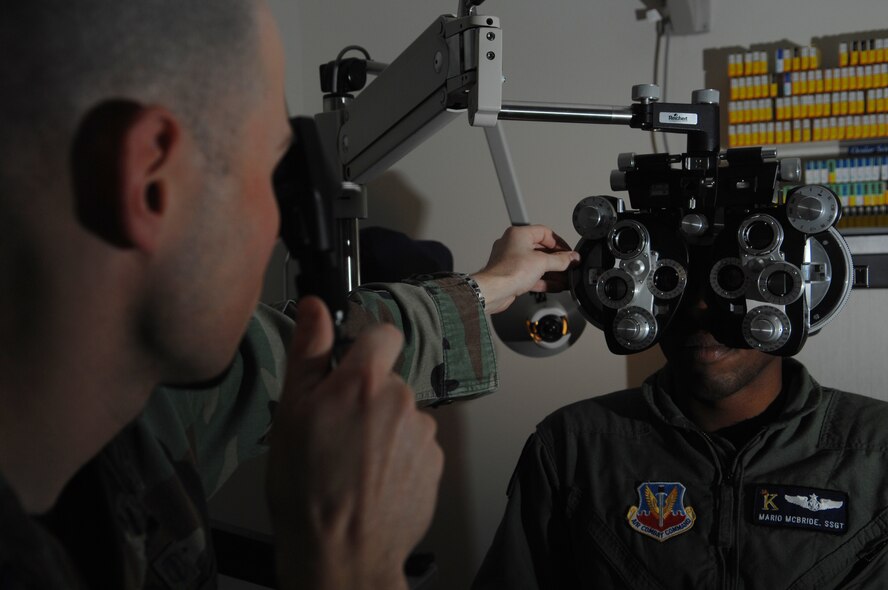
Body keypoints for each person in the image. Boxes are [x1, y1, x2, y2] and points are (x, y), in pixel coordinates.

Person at [0, 1, 578, 588]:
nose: (276, 219)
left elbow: (294, 355)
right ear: (153, 183)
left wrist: (492, 284)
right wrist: (348, 565)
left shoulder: (140, 405)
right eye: (271, 169)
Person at [473, 249, 888, 589]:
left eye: (732, 281)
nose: (701, 308)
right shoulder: (574, 446)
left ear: (795, 294)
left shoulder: (875, 451)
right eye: (672, 282)